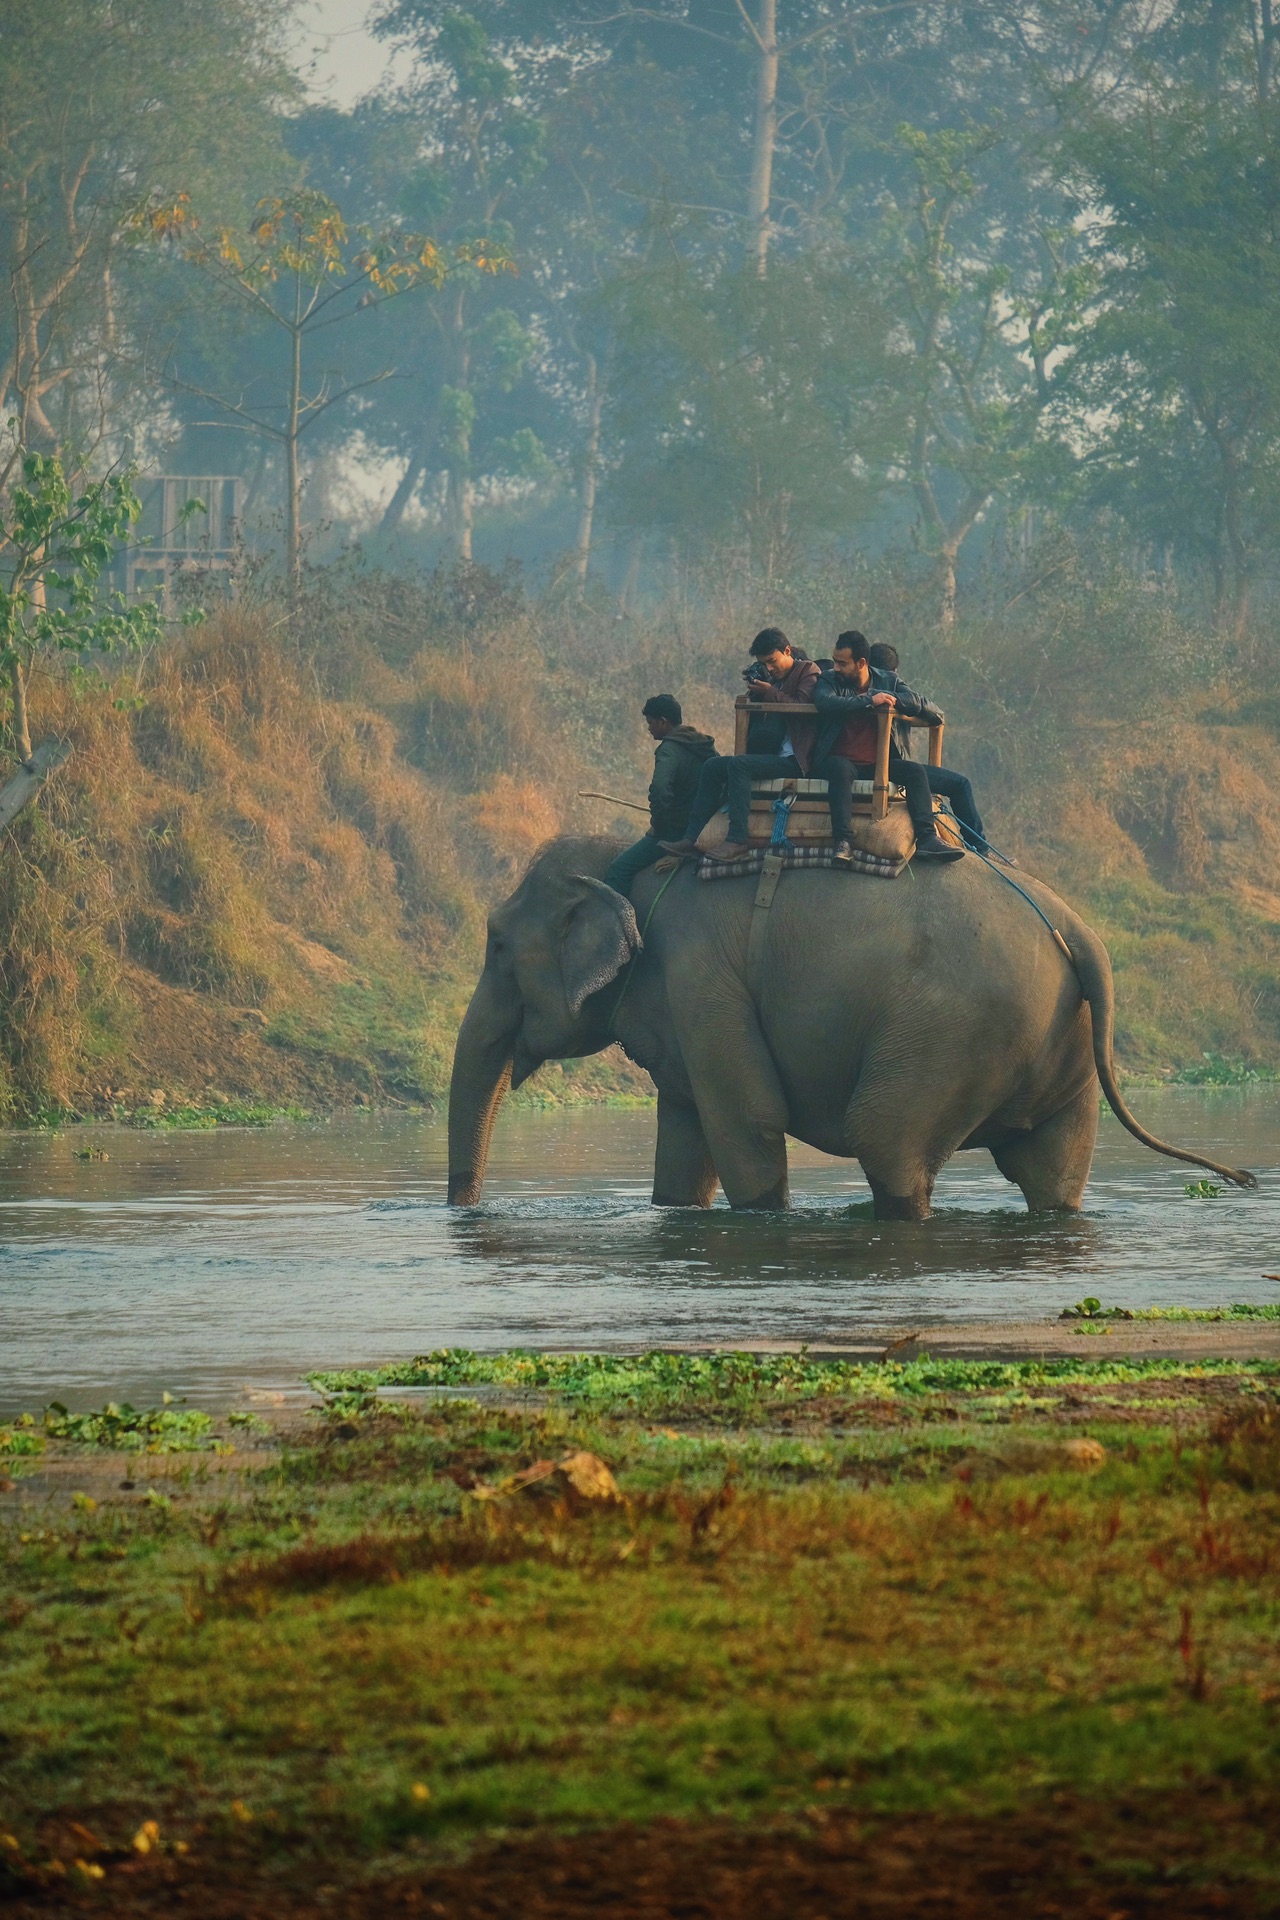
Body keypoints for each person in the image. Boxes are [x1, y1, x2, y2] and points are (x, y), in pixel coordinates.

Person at [659, 628, 819, 861]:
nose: (770, 668)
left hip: (796, 761)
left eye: (772, 661)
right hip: (774, 756)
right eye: (765, 664)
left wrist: (770, 691)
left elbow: (804, 707)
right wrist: (759, 691)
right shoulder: (775, 680)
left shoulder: (808, 670)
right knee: (713, 766)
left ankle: (737, 839)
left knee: (739, 765)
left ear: (787, 650)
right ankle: (691, 837)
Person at [811, 631, 964, 865]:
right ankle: (842, 840)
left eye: (842, 663)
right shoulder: (829, 680)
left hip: (877, 763)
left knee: (913, 770)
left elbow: (918, 702)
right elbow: (825, 702)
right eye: (835, 661)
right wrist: (870, 701)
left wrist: (886, 697)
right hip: (839, 759)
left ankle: (927, 838)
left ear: (861, 663)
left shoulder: (888, 680)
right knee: (840, 770)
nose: (836, 667)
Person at [867, 638, 985, 849]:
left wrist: (892, 699)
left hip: (879, 765)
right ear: (895, 670)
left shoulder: (852, 688)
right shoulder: (888, 684)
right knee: (960, 785)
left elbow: (929, 709)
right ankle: (979, 846)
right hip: (883, 766)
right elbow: (934, 712)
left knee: (919, 773)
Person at [603, 695, 717, 895]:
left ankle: (616, 924)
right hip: (702, 827)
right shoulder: (704, 746)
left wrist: (660, 826)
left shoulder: (668, 750)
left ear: (663, 722)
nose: (649, 728)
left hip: (676, 831)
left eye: (651, 723)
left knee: (618, 869)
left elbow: (659, 789)